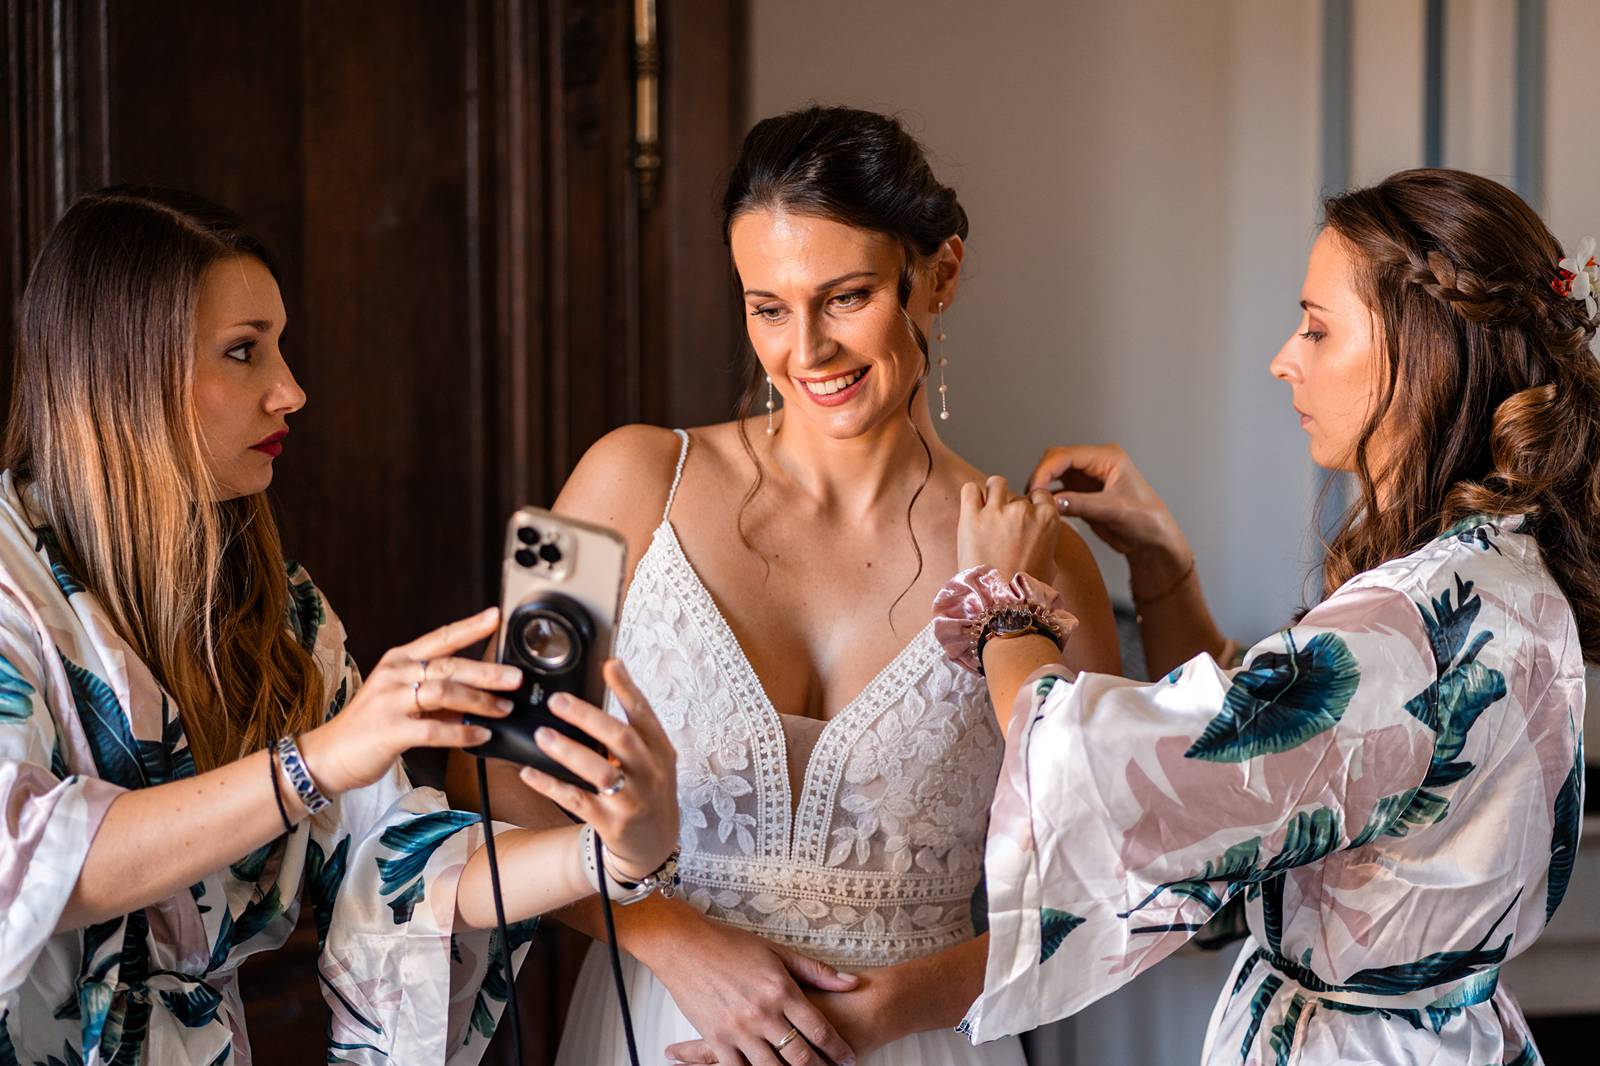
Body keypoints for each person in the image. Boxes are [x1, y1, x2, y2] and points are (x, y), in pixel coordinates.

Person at [453, 106, 1122, 1065]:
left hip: (918, 1047)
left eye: (845, 297)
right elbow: (491, 786)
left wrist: (906, 1002)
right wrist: (668, 938)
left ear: (939, 276)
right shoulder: (623, 479)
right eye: (768, 308)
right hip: (664, 1023)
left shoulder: (1041, 563)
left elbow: (1115, 886)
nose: (806, 350)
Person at [0, 187, 680, 1065]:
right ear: (122, 371)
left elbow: (396, 865)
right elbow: (27, 864)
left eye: (279, 347)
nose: (291, 390)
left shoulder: (277, 609)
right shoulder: (12, 586)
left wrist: (616, 856)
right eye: (243, 352)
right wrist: (311, 764)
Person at [945, 169, 1593, 1064]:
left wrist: (1001, 600)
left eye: (1318, 329)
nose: (1285, 358)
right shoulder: (1496, 574)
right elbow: (1276, 767)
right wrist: (1165, 568)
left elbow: (1101, 771)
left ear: (1427, 352)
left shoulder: (1409, 628)